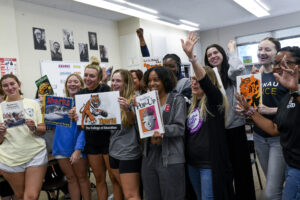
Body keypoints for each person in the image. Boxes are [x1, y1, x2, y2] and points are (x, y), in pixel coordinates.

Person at [235, 46, 300, 200]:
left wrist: (295, 89)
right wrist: (250, 111)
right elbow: (275, 128)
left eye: (284, 63)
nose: (277, 67)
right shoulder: (287, 97)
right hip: (291, 161)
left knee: (272, 193)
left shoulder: (293, 92)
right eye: (276, 63)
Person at [182, 32, 233, 200]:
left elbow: (205, 83)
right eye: (192, 79)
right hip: (192, 163)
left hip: (209, 164)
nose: (194, 82)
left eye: (198, 79)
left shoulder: (215, 101)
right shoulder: (191, 104)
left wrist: (192, 58)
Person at [204, 41, 256, 199]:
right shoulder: (208, 77)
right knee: (224, 172)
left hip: (235, 128)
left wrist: (232, 51)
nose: (213, 56)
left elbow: (238, 70)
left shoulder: (231, 74)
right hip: (217, 132)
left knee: (242, 171)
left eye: (216, 53)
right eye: (209, 55)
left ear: (223, 55)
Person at [69, 57, 121, 200]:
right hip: (91, 142)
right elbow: (80, 118)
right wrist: (74, 114)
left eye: (92, 76)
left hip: (108, 141)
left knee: (114, 178)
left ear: (99, 78)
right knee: (99, 179)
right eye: (85, 75)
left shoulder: (106, 89)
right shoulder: (79, 95)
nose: (88, 78)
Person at [139, 66, 186, 200]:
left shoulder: (177, 99)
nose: (152, 83)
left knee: (172, 195)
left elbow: (180, 127)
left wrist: (162, 129)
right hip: (149, 154)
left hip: (171, 155)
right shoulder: (145, 100)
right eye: (149, 80)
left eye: (156, 80)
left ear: (165, 80)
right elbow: (143, 127)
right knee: (151, 195)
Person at [0, 74, 47, 200]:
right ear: (2, 88)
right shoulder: (0, 108)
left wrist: (34, 128)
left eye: (12, 84)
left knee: (31, 197)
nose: (9, 87)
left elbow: (42, 130)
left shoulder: (33, 103)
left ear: (19, 84)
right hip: (11, 158)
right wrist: (1, 133)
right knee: (20, 196)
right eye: (5, 85)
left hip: (35, 154)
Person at [253, 37, 287, 200]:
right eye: (260, 49)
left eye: (267, 49)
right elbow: (251, 106)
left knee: (271, 192)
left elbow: (294, 106)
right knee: (275, 185)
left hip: (279, 138)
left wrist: (272, 110)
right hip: (259, 137)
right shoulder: (254, 78)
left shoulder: (284, 75)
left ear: (277, 53)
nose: (262, 53)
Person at [53, 73, 91, 200]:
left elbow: (84, 130)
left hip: (77, 148)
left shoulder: (85, 103)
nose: (72, 84)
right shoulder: (59, 103)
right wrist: (46, 110)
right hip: (61, 148)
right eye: (70, 81)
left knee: (82, 178)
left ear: (81, 85)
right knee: (70, 179)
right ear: (66, 85)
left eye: (76, 81)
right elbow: (53, 126)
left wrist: (78, 149)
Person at [109, 69, 142, 200]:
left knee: (131, 195)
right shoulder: (110, 100)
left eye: (118, 80)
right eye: (113, 80)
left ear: (126, 83)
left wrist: (128, 109)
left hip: (129, 153)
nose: (114, 83)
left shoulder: (135, 99)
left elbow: (132, 121)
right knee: (124, 190)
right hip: (114, 152)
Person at [136, 28, 191, 99]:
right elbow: (148, 61)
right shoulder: (161, 82)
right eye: (165, 66)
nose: (168, 69)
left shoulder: (185, 82)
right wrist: (141, 39)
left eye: (171, 66)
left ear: (178, 67)